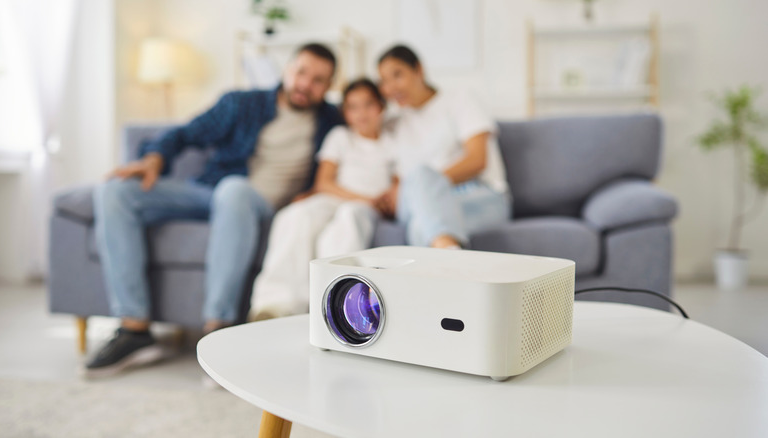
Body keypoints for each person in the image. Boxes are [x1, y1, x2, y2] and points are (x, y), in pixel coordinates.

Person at [84, 43, 342, 377]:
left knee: (235, 190)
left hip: (257, 205)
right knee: (114, 192)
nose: (306, 84)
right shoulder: (241, 103)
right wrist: (153, 160)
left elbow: (373, 137)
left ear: (329, 87)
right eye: (301, 72)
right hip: (207, 192)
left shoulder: (332, 123)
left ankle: (217, 329)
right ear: (287, 68)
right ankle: (135, 330)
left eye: (319, 80)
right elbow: (184, 133)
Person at [249, 78, 396, 320]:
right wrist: (363, 197)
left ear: (381, 107)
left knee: (347, 221)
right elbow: (324, 182)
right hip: (334, 196)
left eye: (368, 105)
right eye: (353, 107)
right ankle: (275, 304)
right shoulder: (339, 136)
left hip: (363, 208)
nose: (361, 114)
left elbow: (396, 187)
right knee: (297, 215)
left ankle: (328, 308)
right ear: (345, 113)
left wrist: (376, 202)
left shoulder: (393, 142)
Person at [374, 44, 511, 249]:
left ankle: (446, 253)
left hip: (479, 196)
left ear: (418, 70)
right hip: (421, 203)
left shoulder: (460, 99)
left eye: (397, 75)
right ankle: (451, 254)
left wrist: (428, 185)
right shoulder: (397, 124)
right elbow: (399, 181)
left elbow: (477, 159)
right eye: (384, 81)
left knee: (421, 221)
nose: (391, 87)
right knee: (422, 207)